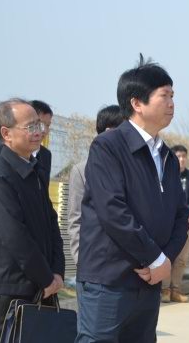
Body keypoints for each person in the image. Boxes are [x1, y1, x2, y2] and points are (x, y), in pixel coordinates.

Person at [76, 62, 189, 343]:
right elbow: (113, 211)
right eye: (164, 96)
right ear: (137, 103)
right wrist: (155, 258)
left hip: (149, 280)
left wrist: (165, 260)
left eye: (173, 96)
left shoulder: (167, 156)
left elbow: (180, 215)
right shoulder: (108, 147)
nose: (172, 104)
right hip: (109, 280)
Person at [0, 99, 65, 343]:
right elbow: (16, 238)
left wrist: (57, 272)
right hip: (13, 287)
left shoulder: (33, 169)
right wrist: (46, 278)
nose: (39, 131)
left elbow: (51, 223)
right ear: (6, 133)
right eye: (30, 127)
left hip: (43, 282)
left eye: (39, 124)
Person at [67, 105, 124, 265]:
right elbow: (76, 218)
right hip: (94, 260)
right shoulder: (81, 170)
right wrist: (80, 258)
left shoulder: (134, 168)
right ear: (109, 131)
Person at [0, 99, 53, 206]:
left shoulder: (46, 155)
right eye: (38, 124)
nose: (43, 130)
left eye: (48, 125)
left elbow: (43, 196)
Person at [161, 144, 189, 303]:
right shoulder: (163, 174)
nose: (182, 159)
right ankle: (164, 290)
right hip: (168, 223)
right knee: (167, 256)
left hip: (188, 223)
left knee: (182, 259)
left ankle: (175, 290)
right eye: (178, 156)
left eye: (184, 156)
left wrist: (186, 214)